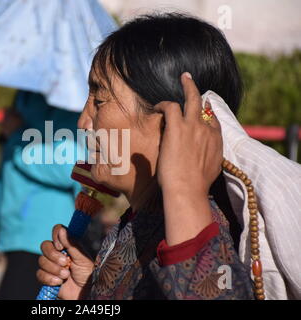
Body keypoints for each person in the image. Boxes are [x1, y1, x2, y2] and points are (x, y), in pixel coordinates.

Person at [36, 13, 299, 300]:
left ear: (168, 122)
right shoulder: (142, 221)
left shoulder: (208, 223)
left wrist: (185, 193)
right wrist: (89, 292)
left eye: (99, 101)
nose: (84, 123)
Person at [0, 91, 82, 300]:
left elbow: (71, 167)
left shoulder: (70, 103)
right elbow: (7, 165)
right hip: (15, 232)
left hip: (46, 235)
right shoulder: (24, 94)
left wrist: (15, 137)